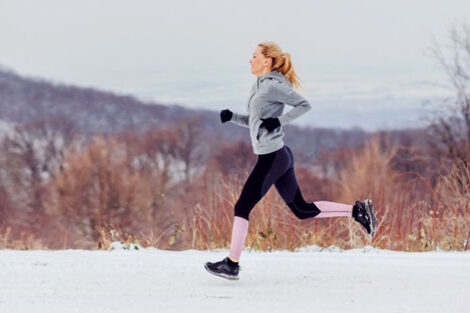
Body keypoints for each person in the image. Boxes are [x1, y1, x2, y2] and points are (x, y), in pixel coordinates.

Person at [204, 41, 377, 281]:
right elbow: (258, 122)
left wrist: (280, 121)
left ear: (267, 61)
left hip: (272, 157)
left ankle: (231, 264)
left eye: (254, 56)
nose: (250, 59)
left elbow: (304, 105)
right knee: (301, 209)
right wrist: (232, 117)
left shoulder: (273, 86)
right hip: (278, 155)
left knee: (242, 207)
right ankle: (358, 211)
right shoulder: (259, 85)